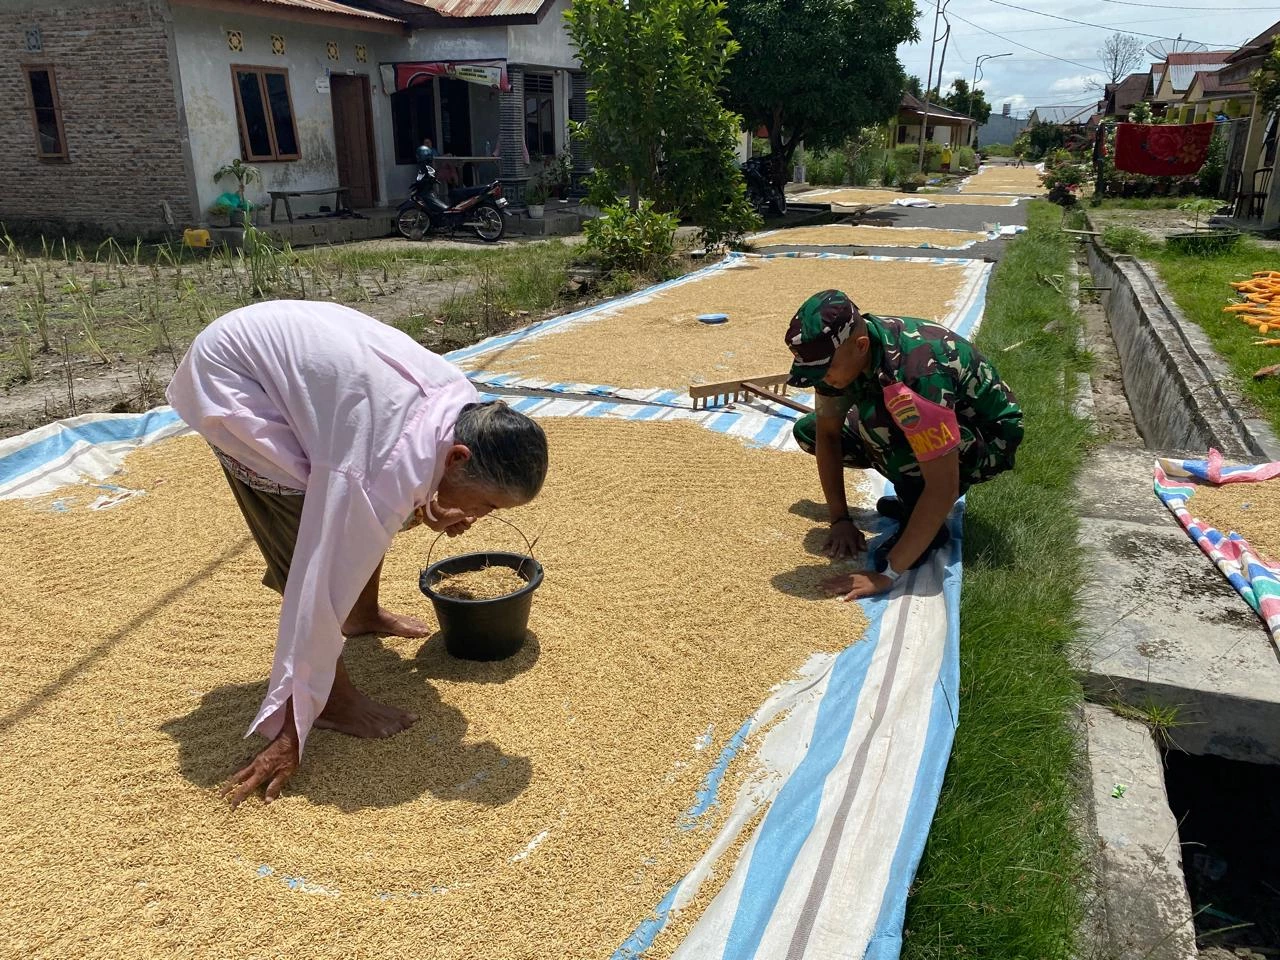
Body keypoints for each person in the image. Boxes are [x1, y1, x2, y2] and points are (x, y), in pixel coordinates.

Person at [166, 301, 549, 808]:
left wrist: (430, 507)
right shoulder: (378, 470)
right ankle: (332, 702)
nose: (482, 515)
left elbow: (393, 476)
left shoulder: (467, 412)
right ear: (459, 458)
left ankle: (363, 614)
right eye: (487, 503)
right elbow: (318, 582)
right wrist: (290, 735)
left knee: (367, 514)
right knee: (308, 530)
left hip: (283, 347)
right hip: (234, 376)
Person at [784, 290, 1022, 599]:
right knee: (811, 430)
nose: (824, 380)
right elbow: (828, 434)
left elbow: (943, 486)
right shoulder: (843, 358)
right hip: (929, 422)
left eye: (826, 371)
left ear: (861, 346)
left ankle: (926, 526)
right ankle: (913, 497)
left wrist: (888, 573)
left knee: (886, 429)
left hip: (988, 440)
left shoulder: (915, 375)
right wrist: (840, 518)